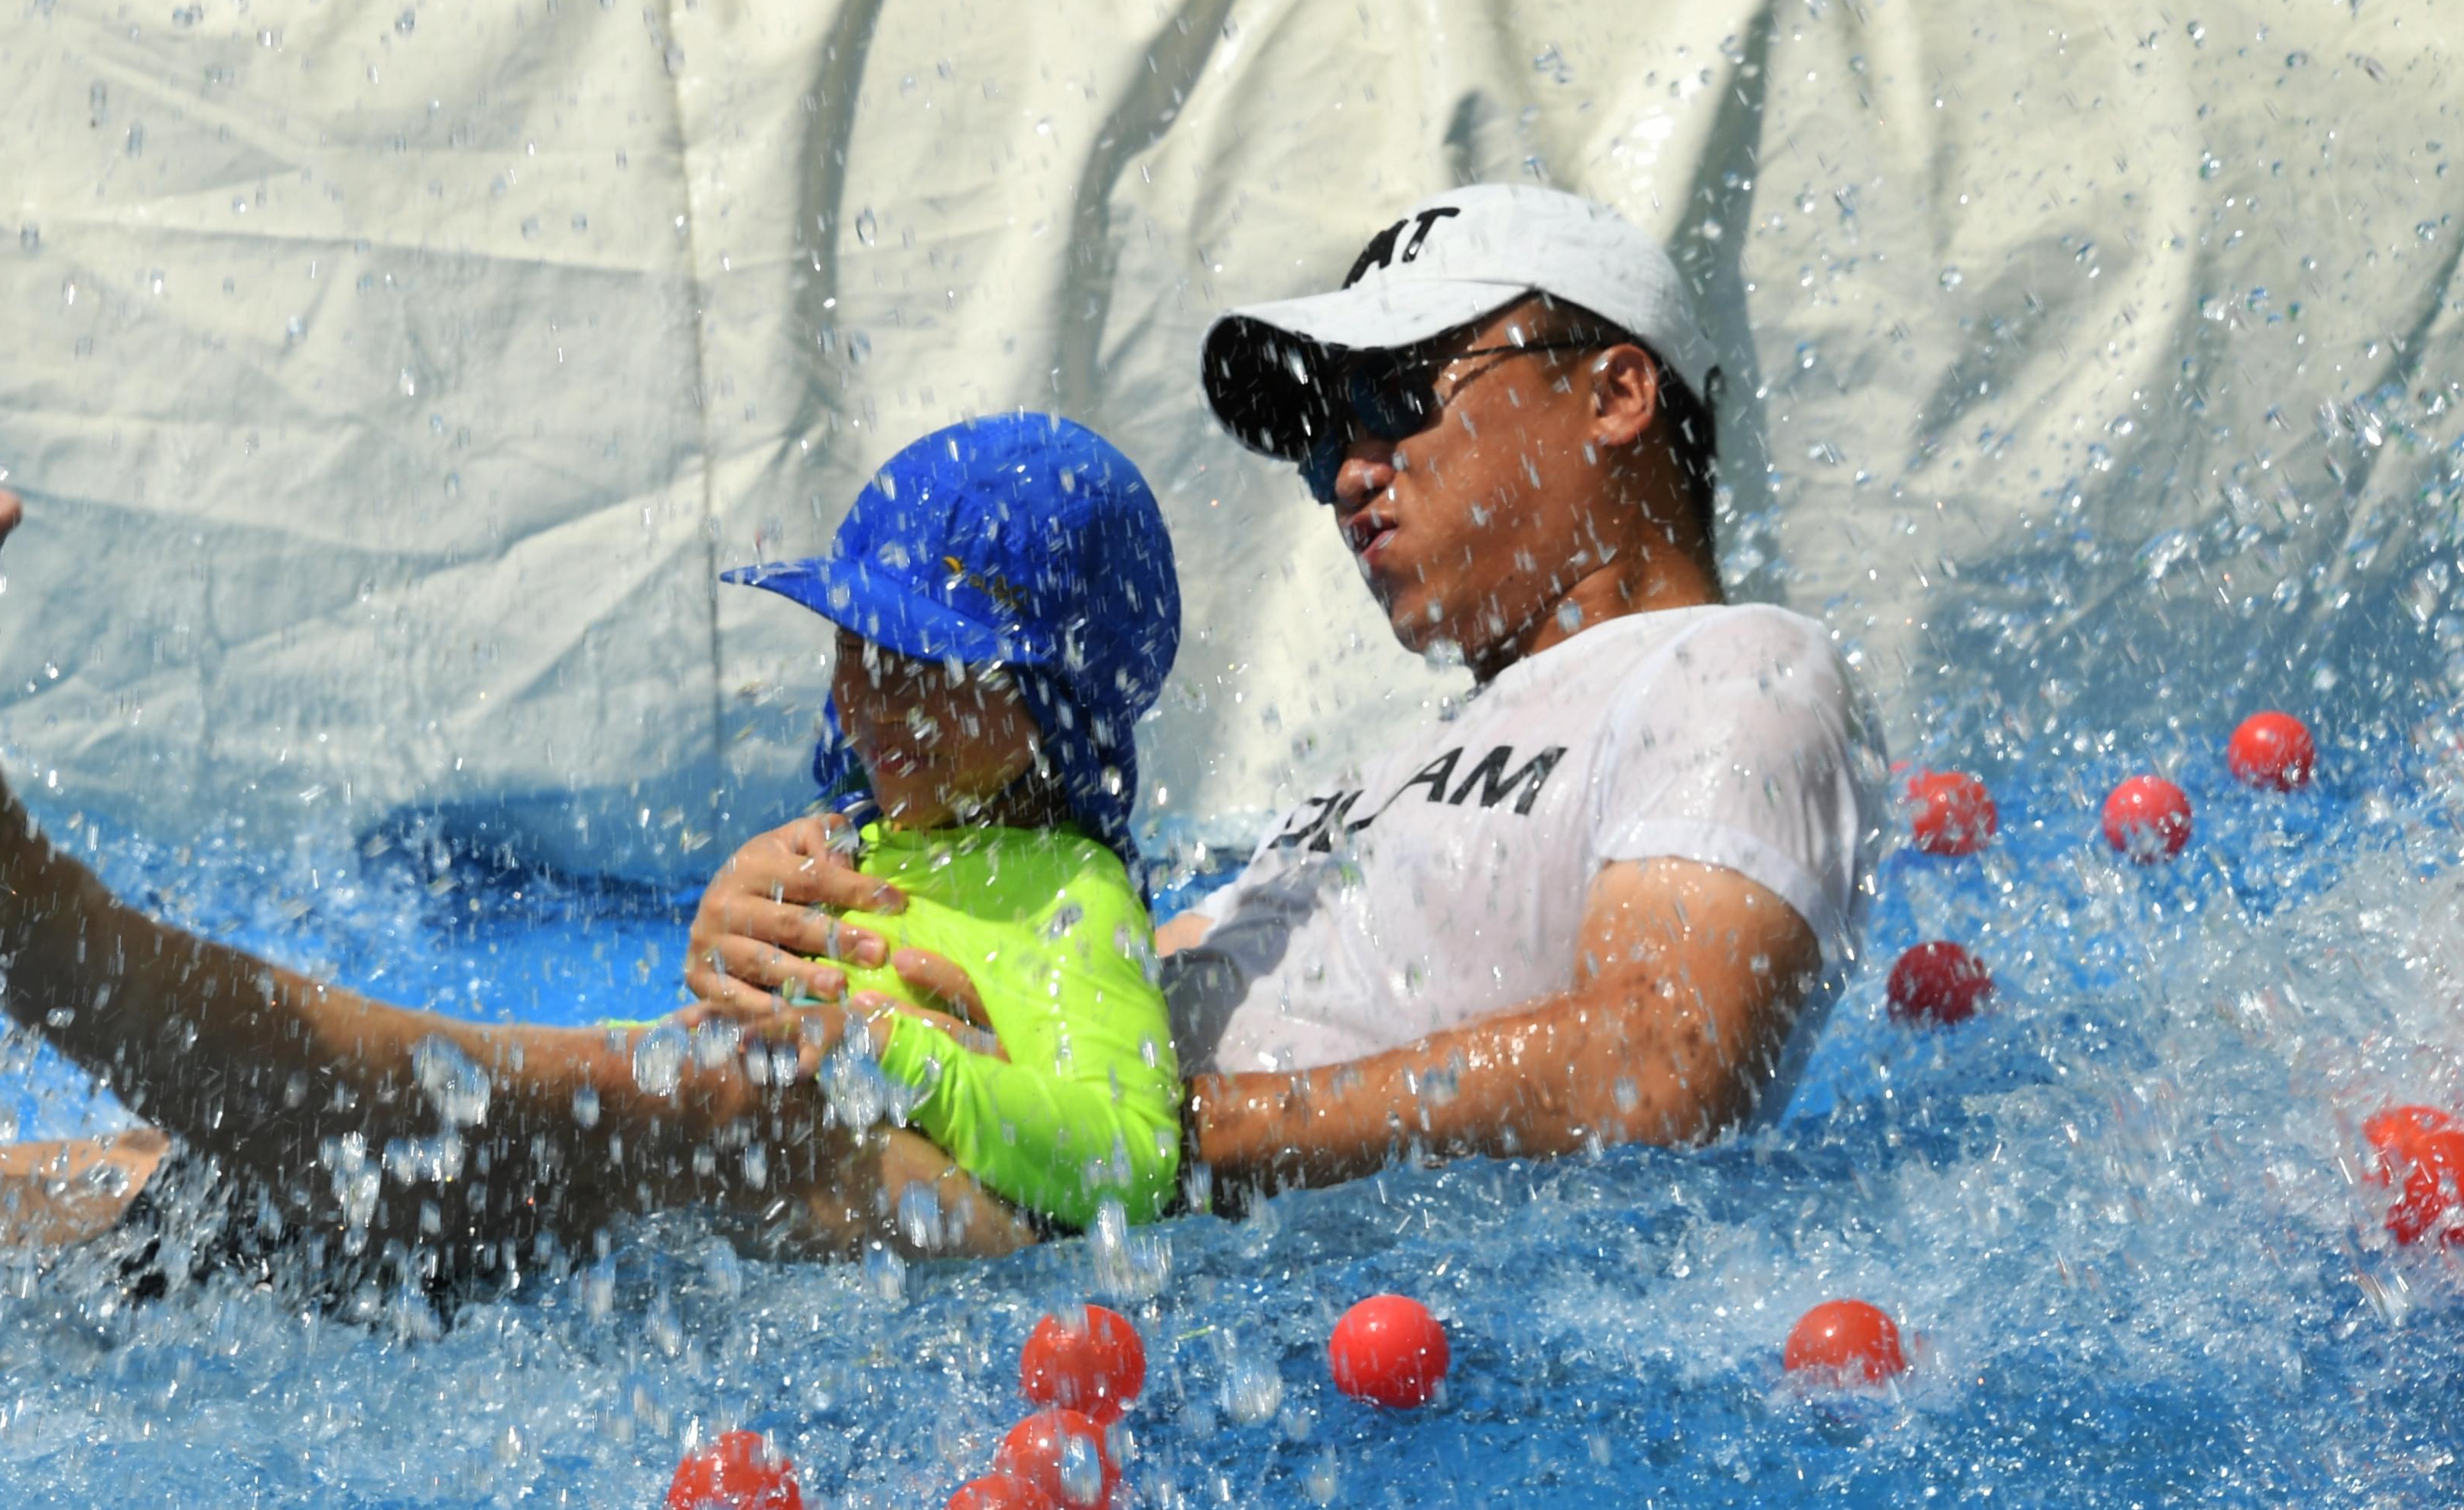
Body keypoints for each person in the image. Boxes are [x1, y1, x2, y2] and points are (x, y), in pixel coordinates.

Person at [687, 184, 1885, 1199]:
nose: (1349, 471)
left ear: (1618, 394)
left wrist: (1171, 1139)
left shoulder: (1743, 668)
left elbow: (1664, 1059)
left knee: (579, 1133)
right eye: (1324, 435)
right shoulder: (1365, 788)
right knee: (661, 1106)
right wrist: (794, 935)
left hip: (1148, 1224)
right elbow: (1088, 971)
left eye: (1398, 394)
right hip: (1087, 1206)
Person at [0, 415, 1182, 1275]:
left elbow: (1128, 1159)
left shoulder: (1074, 890)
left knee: (459, 1120)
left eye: (937, 671)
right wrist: (727, 950)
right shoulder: (857, 845)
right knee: (155, 1179)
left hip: (774, 1229)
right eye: (860, 655)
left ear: (1055, 706)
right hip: (628, 1209)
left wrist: (904, 1056)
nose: (883, 704)